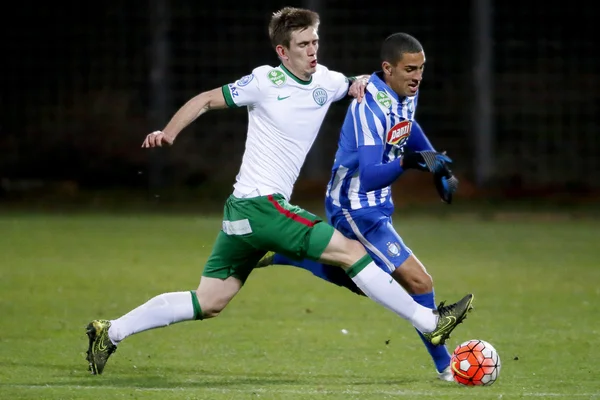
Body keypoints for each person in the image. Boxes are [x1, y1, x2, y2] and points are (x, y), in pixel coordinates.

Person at [85, 9, 473, 376]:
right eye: (303, 45)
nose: (312, 51)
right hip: (260, 205)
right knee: (350, 252)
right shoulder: (264, 82)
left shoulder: (327, 81)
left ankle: (110, 331)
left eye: (315, 42)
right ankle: (428, 321)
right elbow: (205, 99)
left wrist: (360, 84)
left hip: (241, 213)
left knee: (209, 302)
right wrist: (168, 132)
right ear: (282, 52)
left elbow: (362, 85)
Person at [257, 33, 462, 381]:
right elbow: (369, 176)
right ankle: (448, 368)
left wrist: (437, 166)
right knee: (418, 282)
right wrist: (412, 163)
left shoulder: (405, 90)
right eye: (410, 69)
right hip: (353, 206)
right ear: (388, 68)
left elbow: (406, 127)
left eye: (422, 69)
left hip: (375, 205)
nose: (417, 76)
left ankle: (286, 252)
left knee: (361, 277)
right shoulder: (369, 106)